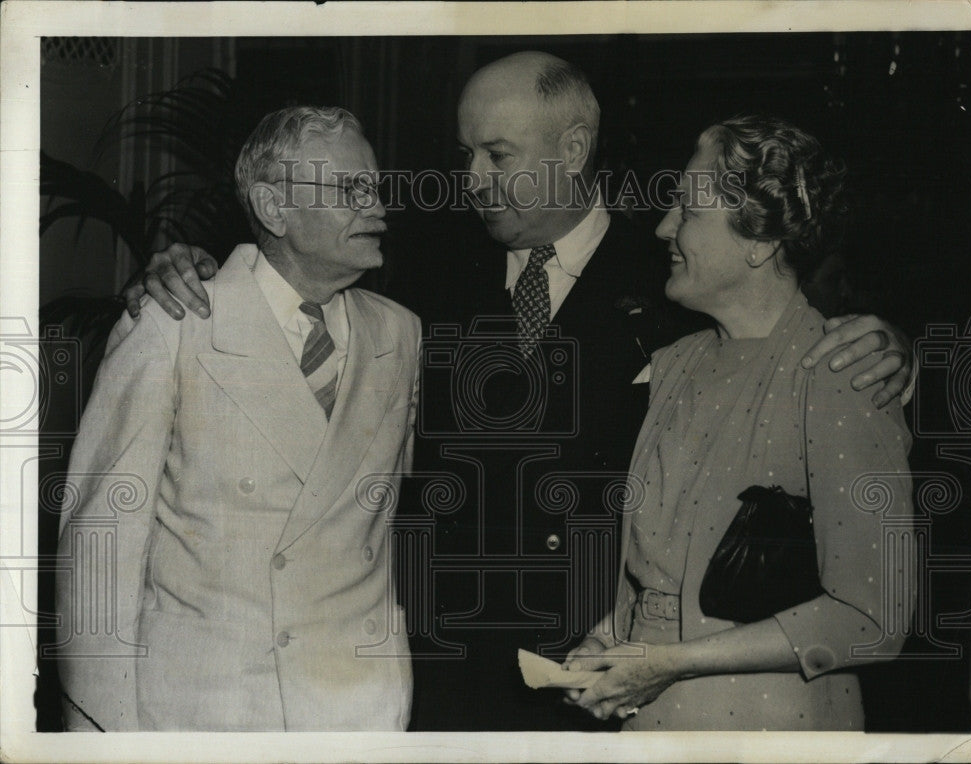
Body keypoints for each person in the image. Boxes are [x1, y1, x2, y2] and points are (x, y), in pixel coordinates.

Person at [122, 52, 911, 730]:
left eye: (496, 156)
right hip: (440, 673)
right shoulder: (419, 265)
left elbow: (788, 339)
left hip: (614, 680)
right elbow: (292, 288)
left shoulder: (676, 274)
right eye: (466, 154)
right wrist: (188, 268)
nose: (471, 180)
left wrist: (893, 352)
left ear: (572, 148)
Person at [54, 106, 420, 731]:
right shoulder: (175, 322)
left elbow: (379, 523)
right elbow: (100, 545)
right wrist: (102, 733)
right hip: (210, 711)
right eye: (348, 190)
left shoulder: (399, 332)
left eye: (375, 186)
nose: (377, 207)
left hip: (361, 707)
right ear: (274, 208)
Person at [561, 115, 915, 731]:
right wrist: (611, 638)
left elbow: (874, 620)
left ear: (760, 240)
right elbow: (663, 573)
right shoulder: (670, 366)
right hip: (653, 722)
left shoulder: (843, 371)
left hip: (772, 728)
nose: (663, 228)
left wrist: (672, 662)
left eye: (688, 213)